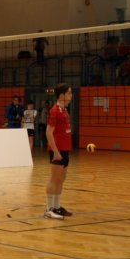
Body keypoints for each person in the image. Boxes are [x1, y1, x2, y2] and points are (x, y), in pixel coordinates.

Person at [44, 84, 73, 220]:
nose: (71, 96)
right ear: (62, 95)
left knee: (61, 179)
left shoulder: (64, 110)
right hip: (57, 150)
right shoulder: (55, 111)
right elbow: (48, 132)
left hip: (65, 149)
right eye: (69, 93)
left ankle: (57, 207)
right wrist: (55, 151)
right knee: (54, 179)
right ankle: (49, 209)